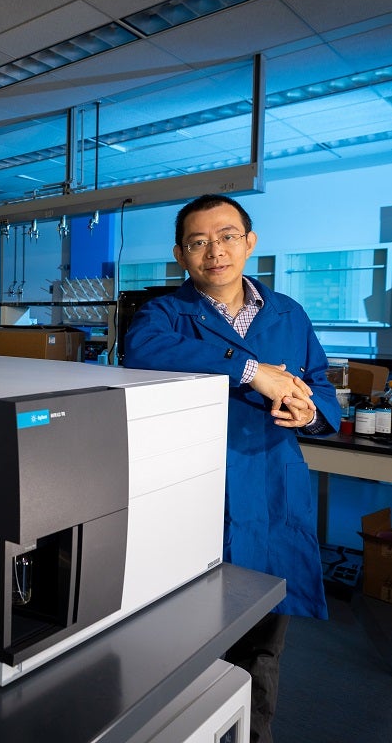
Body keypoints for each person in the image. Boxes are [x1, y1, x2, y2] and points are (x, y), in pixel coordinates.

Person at [123, 194, 340, 743]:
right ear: (180, 254)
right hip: (200, 490)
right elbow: (143, 350)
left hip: (272, 485)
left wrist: (309, 408)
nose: (214, 251)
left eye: (226, 236)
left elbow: (319, 381)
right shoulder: (164, 315)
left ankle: (252, 734)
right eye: (198, 242)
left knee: (264, 642)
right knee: (187, 640)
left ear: (250, 242)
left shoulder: (289, 312)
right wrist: (251, 371)